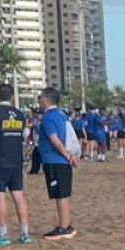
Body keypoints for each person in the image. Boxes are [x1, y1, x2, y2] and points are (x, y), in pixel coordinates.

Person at [0, 83, 34, 246]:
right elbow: (23, 134)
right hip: (16, 159)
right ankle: (24, 233)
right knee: (18, 195)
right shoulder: (19, 114)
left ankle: (3, 233)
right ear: (11, 97)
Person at [35, 88, 79, 240]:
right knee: (64, 193)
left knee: (60, 194)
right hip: (62, 160)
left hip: (55, 159)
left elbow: (55, 141)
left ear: (46, 100)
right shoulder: (62, 114)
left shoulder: (48, 117)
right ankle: (65, 224)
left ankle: (64, 226)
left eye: (40, 98)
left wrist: (67, 156)